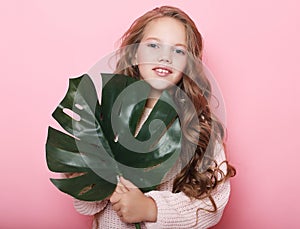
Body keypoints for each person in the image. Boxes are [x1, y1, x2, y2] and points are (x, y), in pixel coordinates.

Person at [73, 5, 236, 228]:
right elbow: (83, 202)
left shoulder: (198, 126)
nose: (165, 57)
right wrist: (104, 184)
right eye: (153, 45)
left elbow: (213, 204)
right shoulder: (107, 114)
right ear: (134, 52)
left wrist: (151, 208)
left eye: (178, 50)